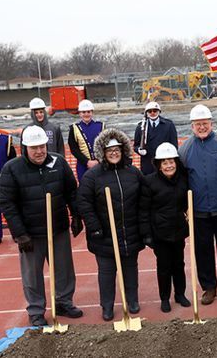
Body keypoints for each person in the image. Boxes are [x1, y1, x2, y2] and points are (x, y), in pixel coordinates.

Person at [0, 125, 83, 326]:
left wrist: (77, 216)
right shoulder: (12, 169)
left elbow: (72, 191)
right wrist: (20, 234)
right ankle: (36, 310)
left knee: (63, 269)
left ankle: (63, 302)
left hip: (58, 227)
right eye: (34, 148)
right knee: (32, 274)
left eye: (42, 147)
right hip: (30, 233)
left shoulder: (59, 162)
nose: (39, 151)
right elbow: (7, 203)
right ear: (24, 148)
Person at [77, 128, 146, 321]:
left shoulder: (133, 173)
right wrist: (95, 227)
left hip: (130, 233)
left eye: (117, 149)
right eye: (110, 150)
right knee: (107, 273)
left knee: (130, 269)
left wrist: (143, 228)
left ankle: (132, 300)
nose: (114, 153)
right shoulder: (93, 176)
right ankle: (107, 306)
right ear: (103, 153)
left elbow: (144, 199)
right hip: (104, 236)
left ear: (123, 150)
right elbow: (83, 202)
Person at [178, 105, 217, 305]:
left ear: (211, 123)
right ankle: (209, 287)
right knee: (203, 251)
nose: (202, 127)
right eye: (198, 124)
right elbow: (182, 180)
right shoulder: (185, 149)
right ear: (192, 126)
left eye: (205, 123)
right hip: (199, 211)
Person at [140, 142, 191, 313]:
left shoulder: (183, 181)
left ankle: (180, 294)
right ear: (159, 165)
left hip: (178, 230)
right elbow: (144, 209)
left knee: (179, 264)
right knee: (164, 266)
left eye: (171, 162)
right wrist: (147, 234)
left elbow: (186, 204)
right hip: (160, 233)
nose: (169, 166)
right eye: (165, 163)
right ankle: (164, 298)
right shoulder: (149, 182)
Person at [134, 101, 178, 175]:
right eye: (149, 111)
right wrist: (139, 150)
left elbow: (174, 145)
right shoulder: (141, 127)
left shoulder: (169, 125)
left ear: (159, 111)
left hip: (164, 162)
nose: (152, 113)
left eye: (155, 111)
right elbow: (136, 145)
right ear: (146, 113)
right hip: (147, 165)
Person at [67, 99, 105, 180]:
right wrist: (87, 162)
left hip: (100, 164)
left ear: (92, 112)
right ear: (80, 113)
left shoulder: (101, 126)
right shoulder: (74, 128)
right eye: (83, 112)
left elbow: (105, 145)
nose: (86, 114)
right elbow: (74, 149)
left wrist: (98, 161)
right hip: (83, 166)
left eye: (88, 112)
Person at [0, 129, 16, 244]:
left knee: (10, 207)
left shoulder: (6, 140)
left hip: (4, 181)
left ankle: (17, 233)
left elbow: (13, 162)